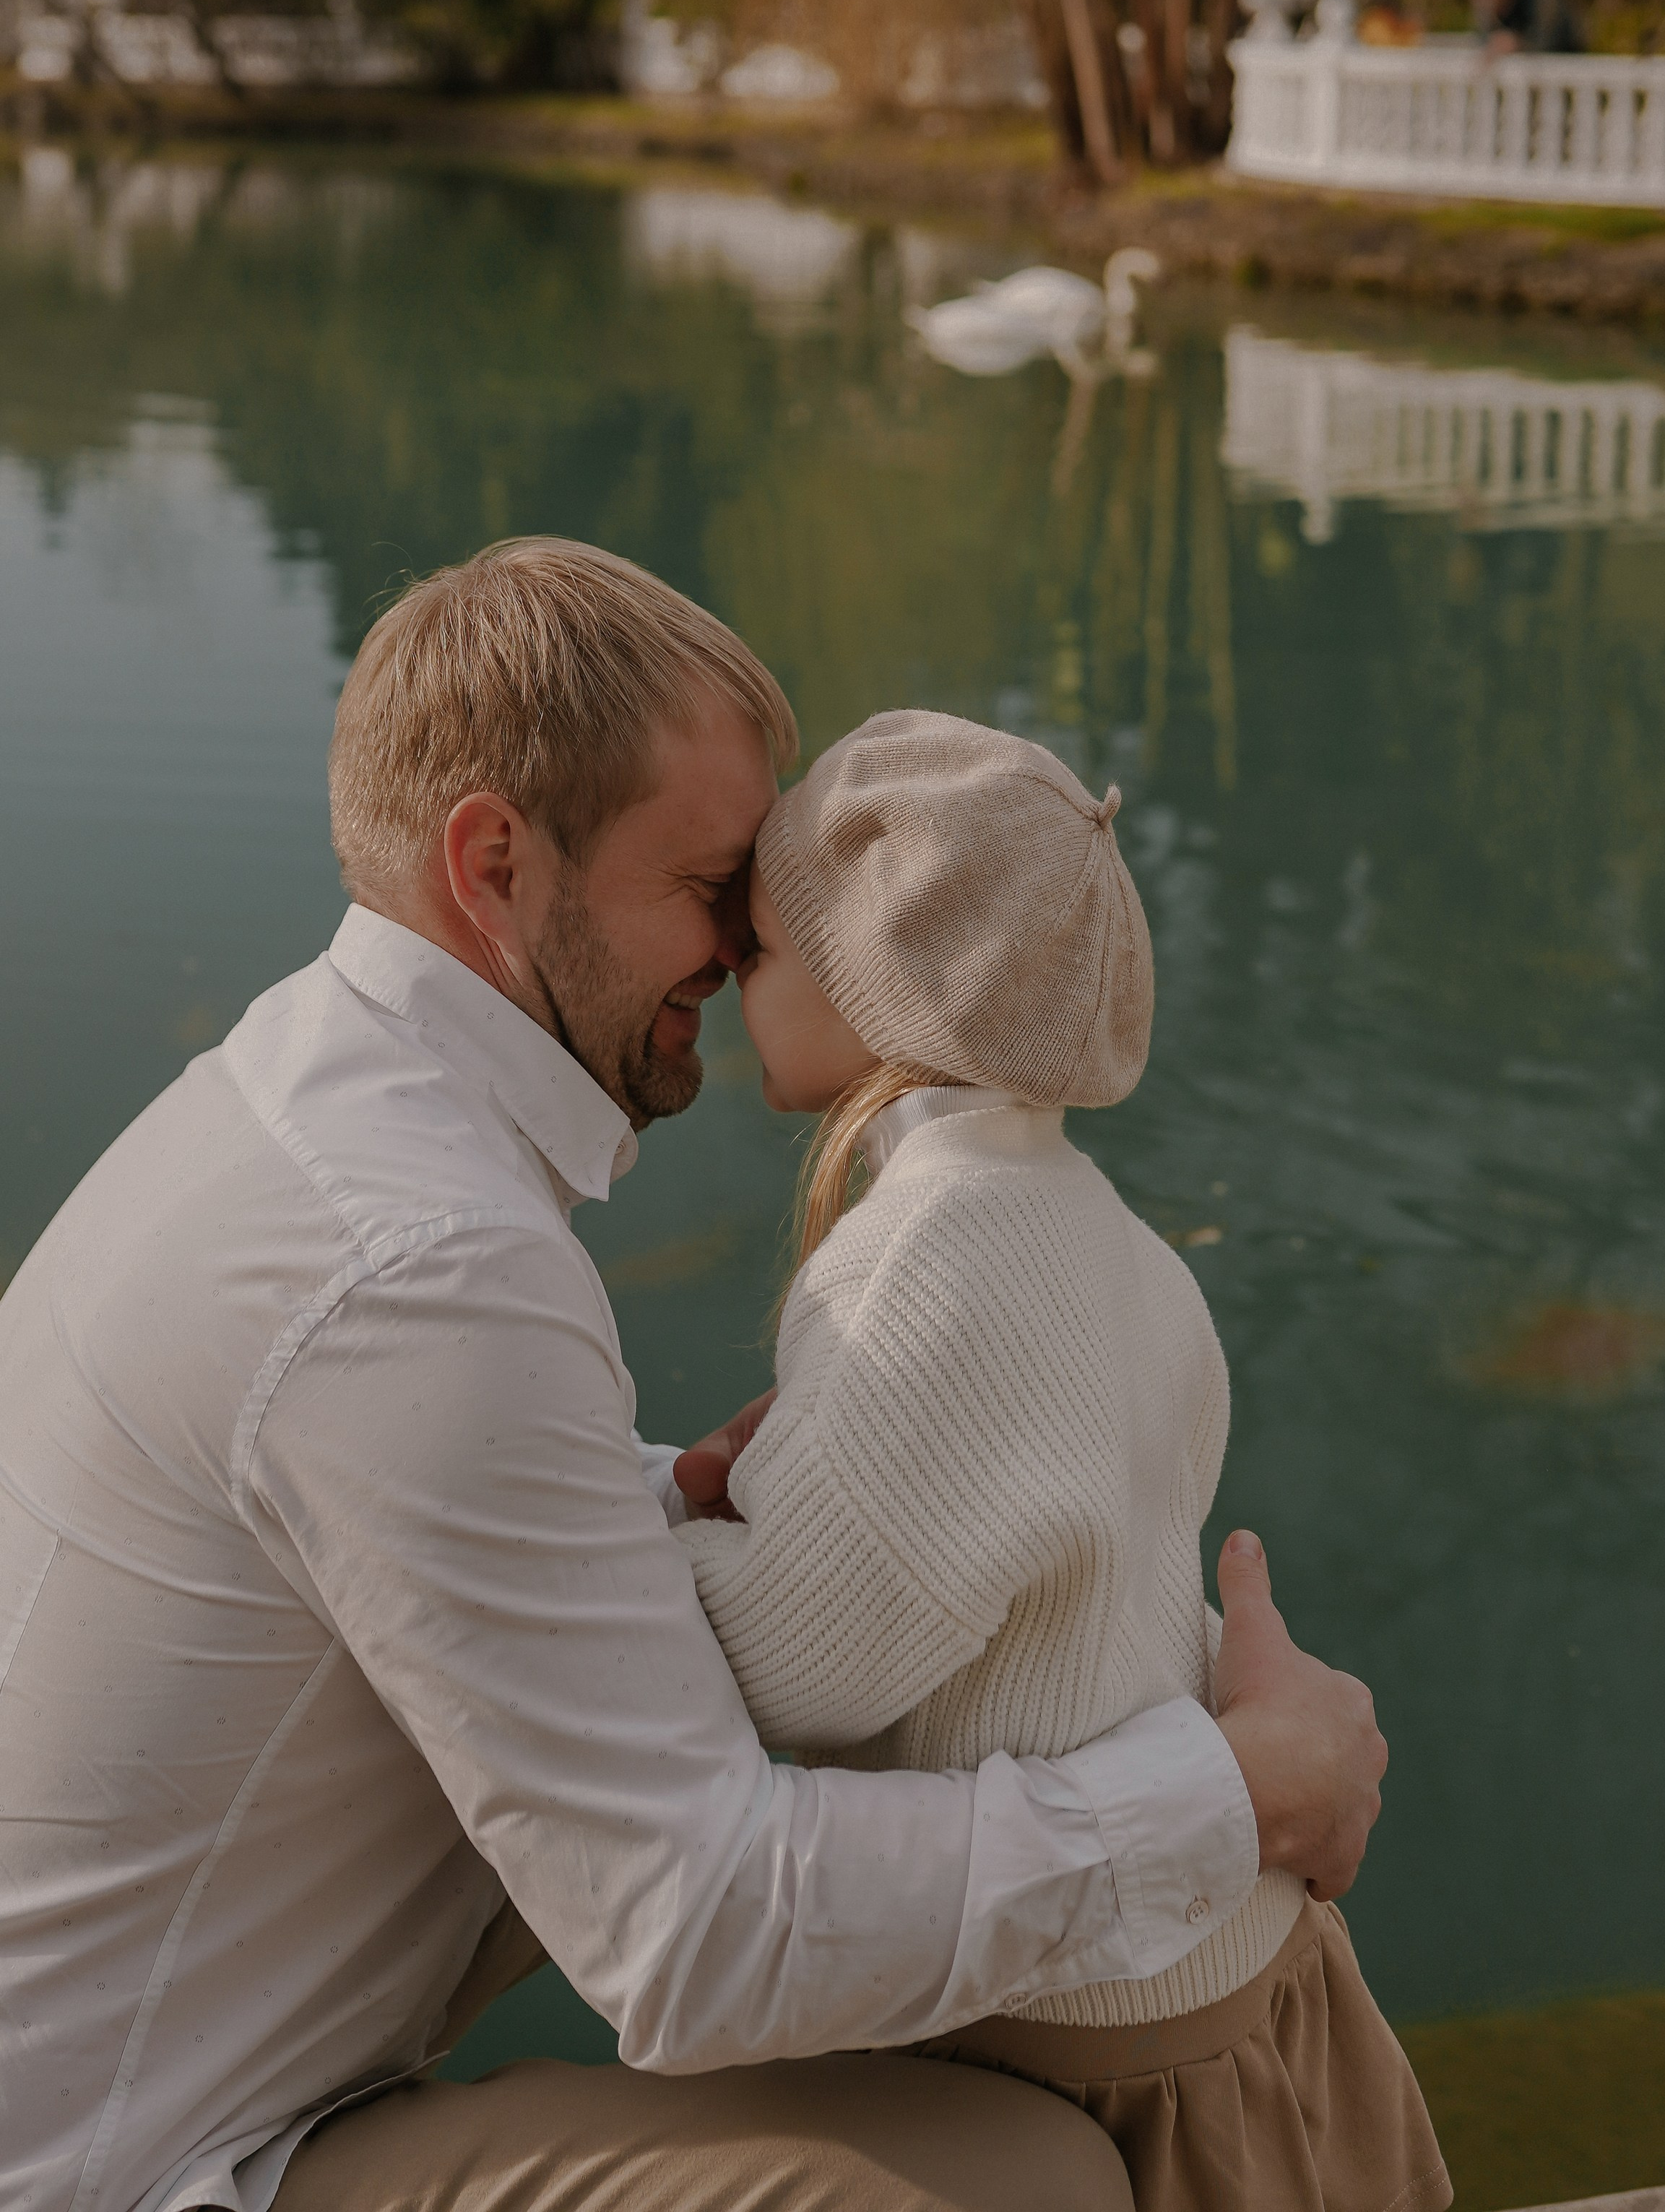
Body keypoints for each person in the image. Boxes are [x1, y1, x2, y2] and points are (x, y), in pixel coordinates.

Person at [0, 540, 1387, 2212]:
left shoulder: (301, 1105)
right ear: (495, 860)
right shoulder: (419, 1264)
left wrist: (666, 1496)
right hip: (138, 2164)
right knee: (1019, 2186)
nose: (749, 948)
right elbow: (692, 1938)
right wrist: (1226, 1797)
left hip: (165, 2072)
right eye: (712, 885)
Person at [683, 709, 1446, 2212]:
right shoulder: (1128, 1250)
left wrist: (660, 1527)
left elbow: (797, 1665)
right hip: (1254, 1968)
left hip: (1086, 2036)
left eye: (762, 943)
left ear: (879, 976)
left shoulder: (920, 1256)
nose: (725, 972)